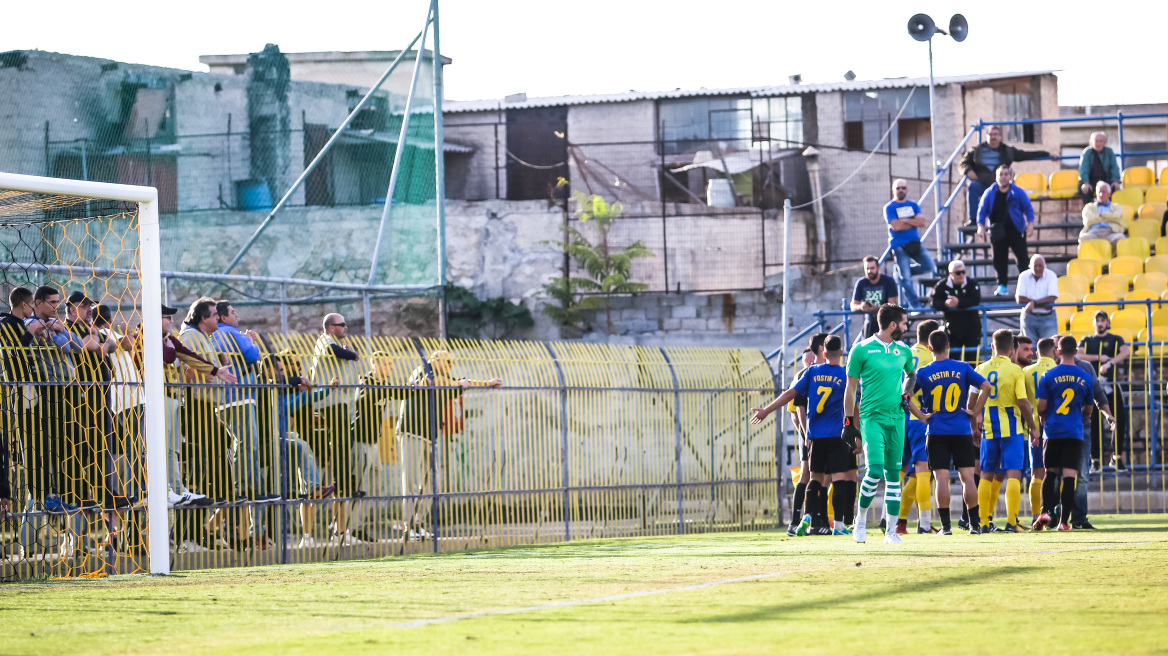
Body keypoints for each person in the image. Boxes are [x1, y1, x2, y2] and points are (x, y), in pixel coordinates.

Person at [398, 350, 502, 539]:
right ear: (435, 361)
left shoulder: (444, 377)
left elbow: (462, 381)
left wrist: (487, 383)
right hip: (412, 431)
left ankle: (418, 523)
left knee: (431, 481)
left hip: (429, 434)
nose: (450, 365)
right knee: (412, 480)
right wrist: (459, 386)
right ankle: (408, 526)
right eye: (447, 362)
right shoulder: (423, 370)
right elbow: (435, 384)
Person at [753, 335, 850, 536]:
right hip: (836, 434)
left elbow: (790, 395)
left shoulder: (811, 372)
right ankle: (839, 527)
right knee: (839, 479)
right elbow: (854, 405)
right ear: (841, 352)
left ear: (824, 353)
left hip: (814, 435)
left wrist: (766, 410)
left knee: (813, 478)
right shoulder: (845, 374)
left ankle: (806, 517)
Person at [843, 304, 917, 545]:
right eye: (905, 323)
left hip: (896, 419)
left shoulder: (904, 351)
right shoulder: (861, 350)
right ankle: (860, 521)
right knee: (874, 471)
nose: (907, 327)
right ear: (893, 325)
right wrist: (847, 422)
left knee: (894, 476)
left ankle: (891, 532)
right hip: (871, 418)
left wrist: (906, 395)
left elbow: (912, 375)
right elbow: (851, 388)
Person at [916, 329, 991, 535]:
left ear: (930, 348)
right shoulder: (963, 367)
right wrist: (975, 412)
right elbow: (986, 386)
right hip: (961, 429)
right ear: (948, 346)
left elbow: (904, 396)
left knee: (941, 479)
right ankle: (974, 526)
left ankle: (946, 527)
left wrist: (921, 415)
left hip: (937, 430)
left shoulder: (924, 372)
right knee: (967, 477)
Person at [1034, 336, 1113, 531]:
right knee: (1071, 476)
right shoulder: (1085, 375)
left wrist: (1047, 414)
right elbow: (1089, 409)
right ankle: (1064, 522)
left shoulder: (1048, 375)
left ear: (1057, 352)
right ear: (1076, 351)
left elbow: (1041, 407)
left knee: (1050, 473)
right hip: (1074, 431)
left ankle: (1045, 511)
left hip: (1052, 431)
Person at [970, 329, 1039, 533]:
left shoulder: (980, 369)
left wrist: (975, 424)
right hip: (1013, 429)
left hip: (989, 430)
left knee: (986, 475)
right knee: (1013, 474)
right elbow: (1023, 402)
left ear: (992, 346)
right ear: (1012, 349)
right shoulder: (1015, 370)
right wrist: (1033, 428)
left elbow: (971, 402)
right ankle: (1011, 521)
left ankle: (983, 523)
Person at [308, 313, 365, 545]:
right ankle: (343, 478)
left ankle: (344, 478)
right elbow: (337, 353)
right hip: (330, 401)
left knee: (344, 441)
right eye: (342, 325)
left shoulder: (332, 341)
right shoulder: (325, 341)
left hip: (337, 400)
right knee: (342, 441)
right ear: (331, 327)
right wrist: (353, 354)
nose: (346, 327)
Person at [211, 301, 271, 501]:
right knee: (248, 444)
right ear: (222, 317)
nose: (237, 316)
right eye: (233, 312)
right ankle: (246, 488)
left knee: (240, 443)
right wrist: (250, 340)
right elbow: (252, 355)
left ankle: (247, 487)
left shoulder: (212, 335)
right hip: (240, 397)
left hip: (222, 399)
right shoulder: (231, 333)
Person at [895, 319, 941, 535]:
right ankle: (924, 524)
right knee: (924, 472)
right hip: (918, 416)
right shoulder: (928, 358)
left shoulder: (904, 352)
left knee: (903, 472)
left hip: (898, 417)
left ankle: (895, 520)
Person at [960, 125, 1050, 226]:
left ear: (1000, 137)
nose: (993, 137)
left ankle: (1013, 222)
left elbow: (1026, 154)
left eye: (996, 134)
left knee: (1014, 194)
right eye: (991, 134)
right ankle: (973, 220)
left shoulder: (1008, 151)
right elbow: (963, 163)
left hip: (1001, 186)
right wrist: (968, 170)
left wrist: (1047, 154)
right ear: (987, 136)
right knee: (973, 186)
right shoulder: (976, 151)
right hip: (983, 184)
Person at [1078, 311, 1130, 472]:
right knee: (1093, 423)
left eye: (1103, 320)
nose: (1100, 323)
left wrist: (1110, 363)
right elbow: (1078, 354)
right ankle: (1095, 461)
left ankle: (1116, 458)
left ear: (1107, 322)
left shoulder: (1115, 338)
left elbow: (1125, 352)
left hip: (1112, 384)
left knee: (1119, 419)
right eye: (1097, 320)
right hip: (1092, 385)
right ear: (1094, 323)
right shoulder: (1087, 340)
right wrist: (1099, 357)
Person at [977, 165, 1036, 296]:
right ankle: (1002, 286)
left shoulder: (1018, 191)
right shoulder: (990, 192)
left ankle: (1026, 287)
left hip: (1016, 229)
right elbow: (982, 210)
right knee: (999, 260)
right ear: (996, 176)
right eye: (1000, 174)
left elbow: (1028, 208)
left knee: (1022, 260)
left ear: (1010, 176)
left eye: (1006, 174)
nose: (1003, 177)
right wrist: (980, 225)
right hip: (998, 231)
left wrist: (1030, 224)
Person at [884, 179, 936, 309]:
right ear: (893, 190)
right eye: (898, 188)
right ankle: (915, 305)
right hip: (899, 246)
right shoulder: (889, 207)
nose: (901, 190)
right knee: (906, 280)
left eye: (903, 188)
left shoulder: (913, 205)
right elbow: (895, 226)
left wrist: (905, 220)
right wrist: (913, 221)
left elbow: (922, 223)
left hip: (914, 244)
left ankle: (901, 272)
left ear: (906, 189)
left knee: (929, 266)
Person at [1023, 337, 1058, 524]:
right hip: (1057, 427)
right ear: (1055, 352)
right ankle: (1058, 515)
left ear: (1037, 353)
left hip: (1034, 427)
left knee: (1036, 473)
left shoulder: (1026, 372)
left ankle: (1037, 516)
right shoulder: (1058, 371)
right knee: (1060, 472)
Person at [786, 347, 817, 536]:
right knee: (806, 474)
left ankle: (817, 519)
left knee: (822, 477)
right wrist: (804, 435)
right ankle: (796, 520)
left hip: (822, 432)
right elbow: (794, 411)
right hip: (808, 434)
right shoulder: (801, 376)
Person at [931, 260, 982, 360]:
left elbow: (975, 300)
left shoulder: (972, 284)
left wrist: (959, 302)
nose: (961, 275)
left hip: (971, 329)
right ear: (951, 274)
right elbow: (933, 301)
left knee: (971, 360)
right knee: (952, 359)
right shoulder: (942, 285)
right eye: (958, 273)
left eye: (963, 272)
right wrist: (945, 304)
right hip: (952, 331)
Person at [850, 256, 899, 340]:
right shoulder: (861, 283)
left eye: (872, 268)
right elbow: (853, 305)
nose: (869, 271)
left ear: (878, 268)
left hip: (886, 321)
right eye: (867, 268)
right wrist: (861, 307)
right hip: (869, 322)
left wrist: (875, 308)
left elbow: (893, 305)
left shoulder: (889, 281)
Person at [1016, 255, 1059, 340]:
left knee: (1050, 347)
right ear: (1030, 266)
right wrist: (1042, 303)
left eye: (1040, 266)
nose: (1038, 268)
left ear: (1045, 266)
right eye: (1035, 266)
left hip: (1048, 318)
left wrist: (1033, 303)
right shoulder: (1023, 276)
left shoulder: (1051, 275)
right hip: (1029, 317)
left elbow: (1052, 297)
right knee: (1029, 348)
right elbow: (1019, 299)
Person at [1079, 182, 1126, 253]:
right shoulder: (1089, 207)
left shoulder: (1117, 206)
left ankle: (1111, 261)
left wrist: (1100, 215)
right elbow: (1088, 220)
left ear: (1109, 194)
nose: (1101, 194)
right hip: (1093, 233)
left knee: (1120, 238)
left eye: (1104, 192)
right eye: (1099, 192)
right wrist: (1109, 217)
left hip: (1111, 233)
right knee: (1084, 238)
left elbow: (1117, 216)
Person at [1077, 132, 1122, 197]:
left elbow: (1114, 168)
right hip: (1091, 182)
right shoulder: (1087, 152)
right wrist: (1085, 182)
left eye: (1101, 141)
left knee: (1115, 187)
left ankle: (1109, 207)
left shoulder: (1109, 152)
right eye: (1096, 141)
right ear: (1091, 142)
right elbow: (1083, 169)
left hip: (1106, 181)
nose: (1098, 143)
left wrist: (1115, 181)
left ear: (1105, 142)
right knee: (1086, 189)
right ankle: (1089, 207)